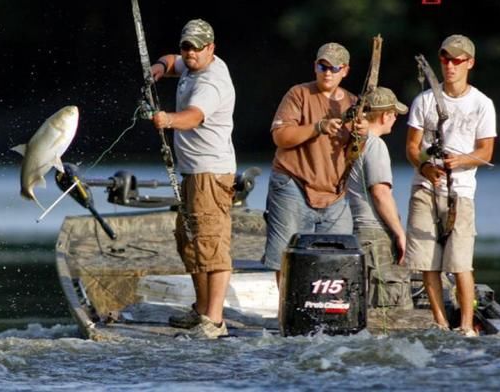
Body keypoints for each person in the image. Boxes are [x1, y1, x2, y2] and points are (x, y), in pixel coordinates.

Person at [404, 34, 496, 336]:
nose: (450, 65)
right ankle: (441, 323)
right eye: (445, 59)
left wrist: (461, 161)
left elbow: (486, 152)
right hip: (424, 188)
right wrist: (425, 166)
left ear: (469, 63)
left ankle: (467, 326)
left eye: (457, 60)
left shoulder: (482, 104)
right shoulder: (424, 100)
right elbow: (411, 147)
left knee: (460, 263)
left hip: (462, 192)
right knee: (427, 262)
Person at [150, 19, 236, 339]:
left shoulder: (211, 83)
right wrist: (159, 68)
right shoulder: (189, 64)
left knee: (211, 243)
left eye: (197, 48)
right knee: (189, 241)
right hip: (191, 172)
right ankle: (201, 310)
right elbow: (172, 61)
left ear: (211, 49)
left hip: (210, 173)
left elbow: (194, 117)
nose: (190, 54)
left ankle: (214, 321)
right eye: (187, 46)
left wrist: (168, 119)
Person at [262, 42, 367, 282]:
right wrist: (318, 127)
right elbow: (280, 136)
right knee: (287, 257)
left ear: (345, 71)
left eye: (334, 67)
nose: (328, 72)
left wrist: (362, 134)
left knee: (335, 260)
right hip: (292, 184)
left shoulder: (353, 103)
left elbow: (354, 154)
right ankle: (288, 315)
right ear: (315, 66)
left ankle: (323, 313)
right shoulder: (298, 94)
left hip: (335, 194)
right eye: (323, 66)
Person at [347, 87, 413, 309]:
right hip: (374, 234)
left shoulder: (352, 143)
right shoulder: (376, 146)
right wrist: (399, 233)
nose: (395, 119)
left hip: (356, 232)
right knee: (385, 303)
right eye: (394, 114)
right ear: (385, 115)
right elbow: (380, 193)